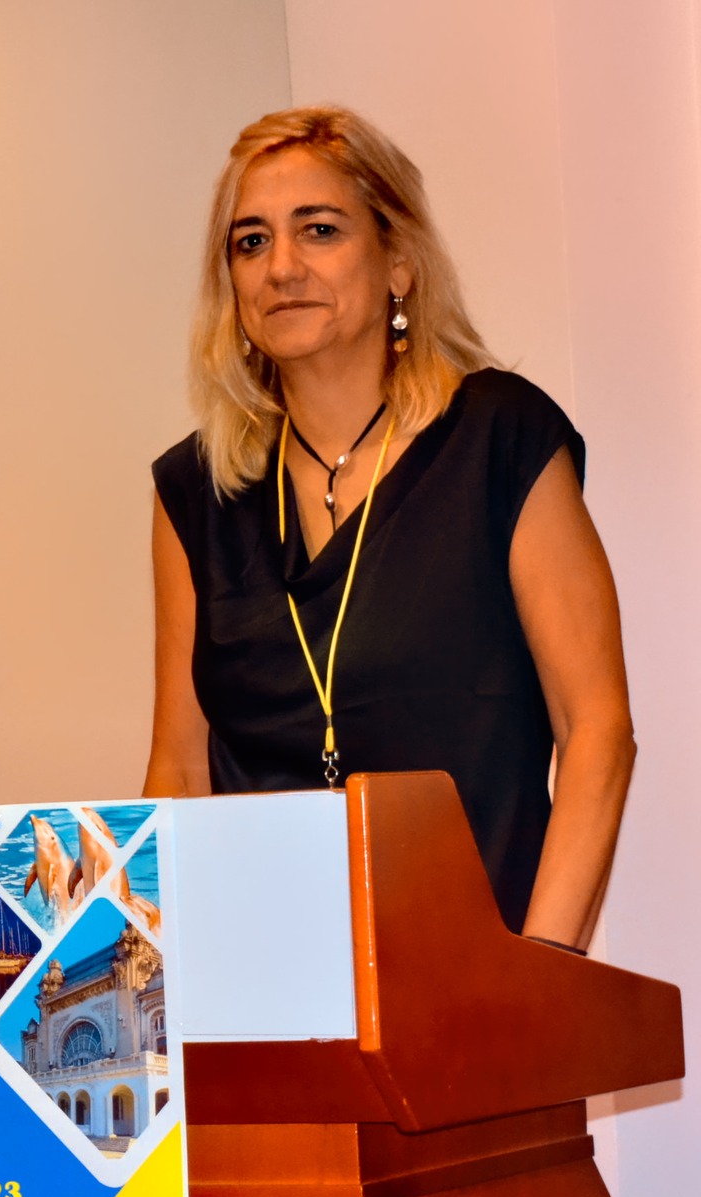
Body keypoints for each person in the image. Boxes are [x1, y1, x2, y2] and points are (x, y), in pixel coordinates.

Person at [144, 106, 634, 950]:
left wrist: (540, 973)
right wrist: (161, 983)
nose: (281, 267)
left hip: (480, 974)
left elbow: (597, 732)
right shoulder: (197, 488)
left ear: (398, 260)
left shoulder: (499, 439)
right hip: (266, 974)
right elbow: (180, 770)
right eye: (251, 242)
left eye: (320, 230)